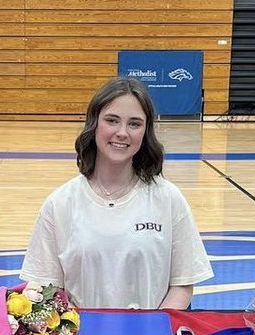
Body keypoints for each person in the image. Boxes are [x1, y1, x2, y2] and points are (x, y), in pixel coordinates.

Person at [21, 77, 213, 309]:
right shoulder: (59, 203)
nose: (122, 132)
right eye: (112, 120)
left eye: (134, 124)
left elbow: (182, 284)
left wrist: (152, 330)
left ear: (146, 131)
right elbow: (46, 289)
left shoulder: (168, 198)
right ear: (95, 124)